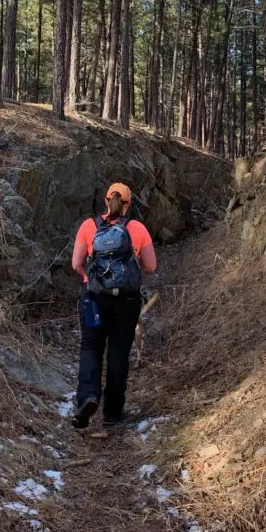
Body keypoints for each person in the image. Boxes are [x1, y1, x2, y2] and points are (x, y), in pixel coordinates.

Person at [70, 182, 156, 430]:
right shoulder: (136, 228)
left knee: (90, 347)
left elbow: (76, 263)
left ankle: (87, 397)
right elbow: (151, 265)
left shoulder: (89, 226)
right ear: (129, 204)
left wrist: (92, 278)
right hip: (126, 302)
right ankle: (112, 413)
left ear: (107, 201)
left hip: (93, 299)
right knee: (118, 352)